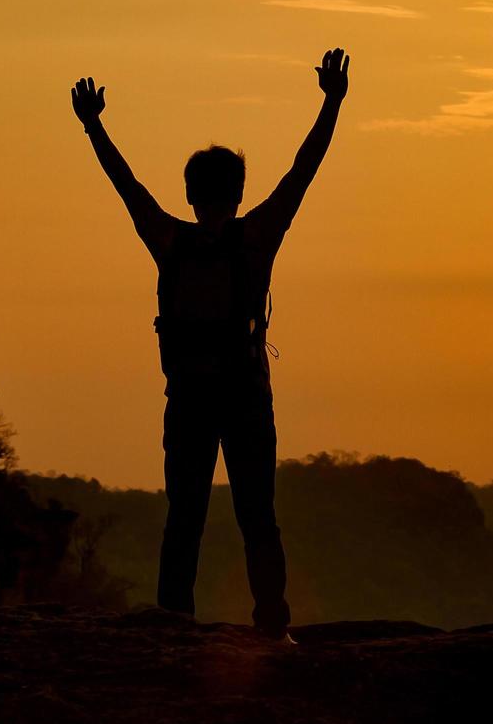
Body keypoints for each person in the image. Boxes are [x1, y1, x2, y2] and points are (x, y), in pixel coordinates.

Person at [68, 48, 350, 640]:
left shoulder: (170, 239)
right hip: (245, 395)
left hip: (190, 396)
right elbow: (303, 170)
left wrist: (94, 125)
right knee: (257, 517)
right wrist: (331, 103)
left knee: (185, 518)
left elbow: (127, 187)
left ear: (192, 195)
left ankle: (174, 626)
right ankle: (272, 627)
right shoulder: (256, 239)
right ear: (240, 194)